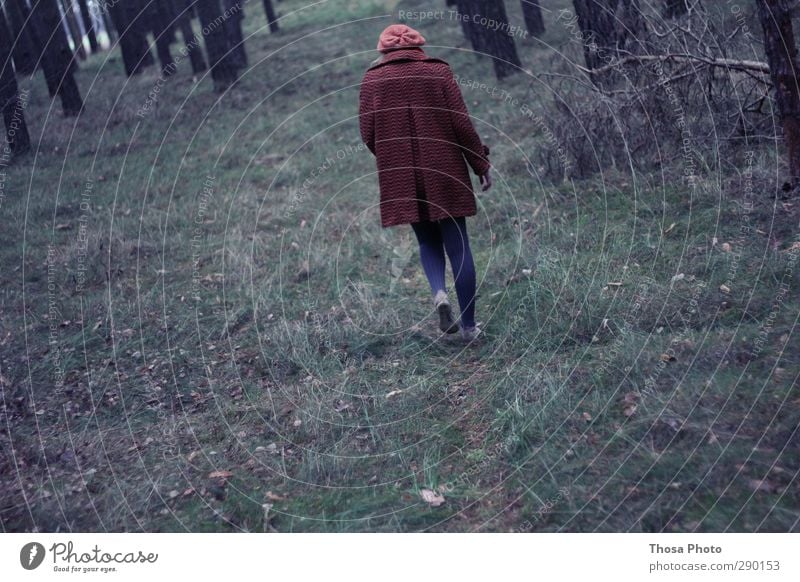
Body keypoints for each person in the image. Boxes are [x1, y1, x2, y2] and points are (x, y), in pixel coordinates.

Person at [358, 24, 492, 343]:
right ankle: (470, 327)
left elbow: (367, 133)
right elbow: (461, 124)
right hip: (444, 169)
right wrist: (480, 163)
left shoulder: (372, 79)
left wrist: (392, 157)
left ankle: (439, 293)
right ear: (419, 46)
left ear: (384, 49)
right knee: (458, 245)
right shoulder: (438, 72)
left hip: (400, 172)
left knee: (427, 242)